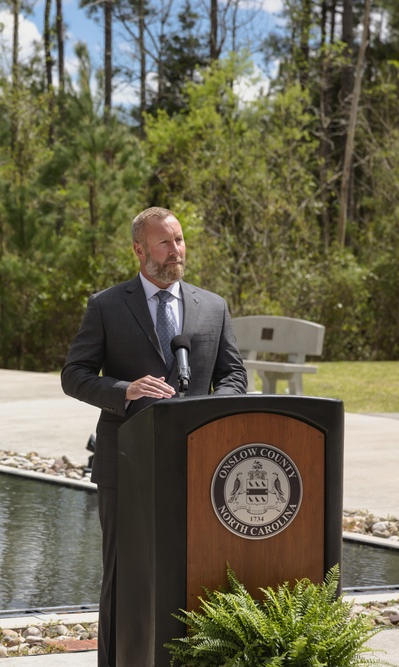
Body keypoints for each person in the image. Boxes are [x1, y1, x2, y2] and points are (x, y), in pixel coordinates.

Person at [60, 206, 247, 667]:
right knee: (124, 575)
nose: (176, 251)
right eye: (165, 243)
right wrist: (125, 390)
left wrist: (213, 408)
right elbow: (74, 375)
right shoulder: (106, 305)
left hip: (200, 465)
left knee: (199, 571)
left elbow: (234, 375)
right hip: (127, 462)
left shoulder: (213, 306)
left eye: (179, 240)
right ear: (139, 250)